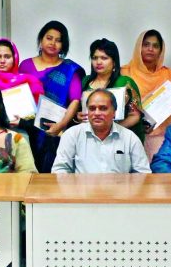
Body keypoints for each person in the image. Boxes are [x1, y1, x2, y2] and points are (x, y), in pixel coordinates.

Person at [18, 21, 85, 172]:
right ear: (41, 40)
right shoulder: (25, 65)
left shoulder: (69, 69)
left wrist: (60, 125)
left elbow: (75, 100)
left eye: (58, 40)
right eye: (49, 38)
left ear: (63, 45)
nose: (53, 43)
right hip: (27, 129)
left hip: (54, 131)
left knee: (50, 175)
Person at [53, 89, 150, 174]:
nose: (97, 113)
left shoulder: (130, 138)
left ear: (114, 113)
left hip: (119, 193)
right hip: (82, 193)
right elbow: (60, 170)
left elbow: (143, 173)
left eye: (103, 108)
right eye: (92, 108)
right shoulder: (72, 135)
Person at [122, 30, 171, 159]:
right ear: (139, 47)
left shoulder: (169, 74)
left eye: (155, 46)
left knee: (160, 175)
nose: (150, 49)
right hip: (132, 134)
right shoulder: (125, 73)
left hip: (162, 136)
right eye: (146, 44)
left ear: (161, 50)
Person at [81, 38, 144, 142]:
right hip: (90, 139)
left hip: (119, 139)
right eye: (94, 58)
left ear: (114, 62)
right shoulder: (85, 81)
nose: (98, 62)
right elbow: (81, 111)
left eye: (104, 58)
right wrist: (78, 117)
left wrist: (111, 131)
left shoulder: (125, 83)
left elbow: (135, 115)